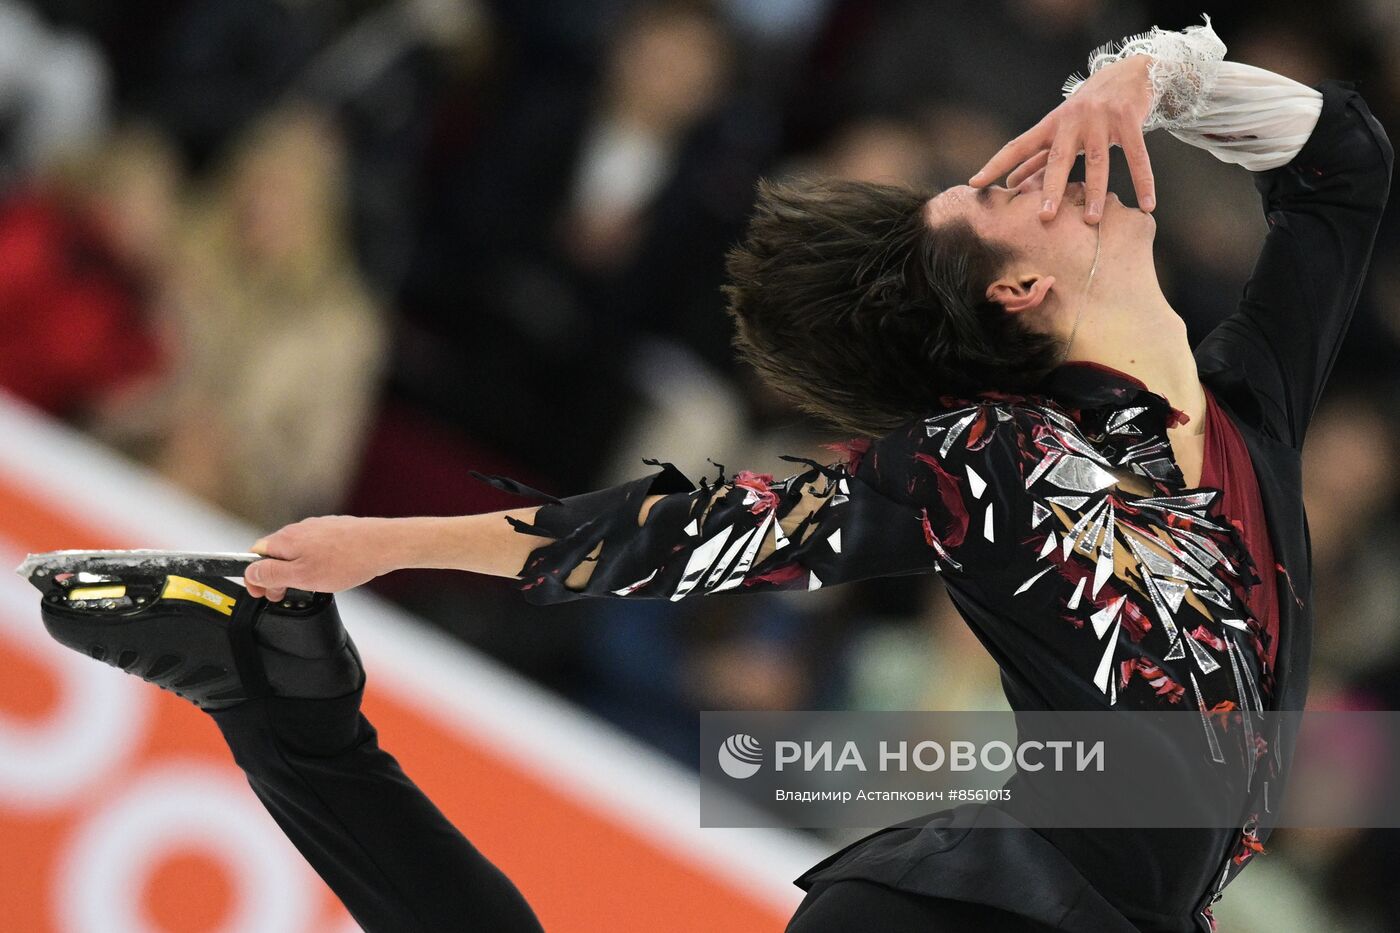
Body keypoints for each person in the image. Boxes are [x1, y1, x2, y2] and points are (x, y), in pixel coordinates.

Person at [38, 16, 1391, 933]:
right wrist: (388, 545)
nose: (1033, 152)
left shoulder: (1253, 403)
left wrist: (1158, 70)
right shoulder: (998, 455)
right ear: (1028, 284)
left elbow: (1347, 169)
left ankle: (289, 708)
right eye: (1000, 187)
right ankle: (293, 709)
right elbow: (693, 533)